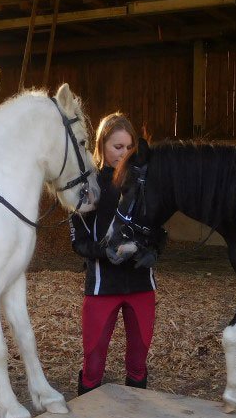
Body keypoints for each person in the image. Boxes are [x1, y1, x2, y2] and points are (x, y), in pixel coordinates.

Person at [69, 112, 166, 395]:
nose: (123, 153)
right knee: (94, 361)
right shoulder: (90, 187)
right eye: (117, 147)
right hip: (102, 286)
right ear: (101, 147)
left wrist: (153, 251)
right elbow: (79, 241)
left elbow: (159, 231)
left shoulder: (147, 184)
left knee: (138, 361)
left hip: (140, 284)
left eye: (128, 147)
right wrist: (104, 252)